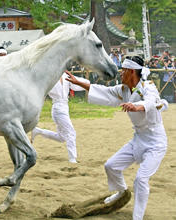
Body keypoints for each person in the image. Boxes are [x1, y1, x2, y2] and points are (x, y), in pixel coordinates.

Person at [65, 56, 168, 220]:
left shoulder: (148, 87)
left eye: (123, 71)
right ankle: (121, 192)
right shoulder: (124, 90)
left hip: (155, 142)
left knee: (141, 179)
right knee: (111, 166)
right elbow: (101, 91)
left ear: (132, 72)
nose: (121, 74)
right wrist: (78, 82)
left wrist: (136, 106)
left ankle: (137, 217)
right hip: (138, 139)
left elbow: (151, 102)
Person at [30, 72, 90, 163]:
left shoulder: (65, 75)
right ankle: (72, 158)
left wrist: (87, 83)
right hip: (58, 108)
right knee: (71, 133)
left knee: (62, 138)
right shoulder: (49, 78)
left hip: (64, 108)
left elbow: (79, 84)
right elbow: (42, 93)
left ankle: (38, 131)